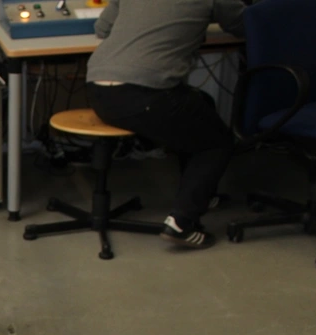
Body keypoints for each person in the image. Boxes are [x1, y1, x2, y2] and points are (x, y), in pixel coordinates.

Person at [86, 0, 247, 249]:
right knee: (217, 144)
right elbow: (242, 24)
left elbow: (102, 29)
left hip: (98, 91)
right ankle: (182, 223)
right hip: (144, 95)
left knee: (199, 105)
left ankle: (201, 194)